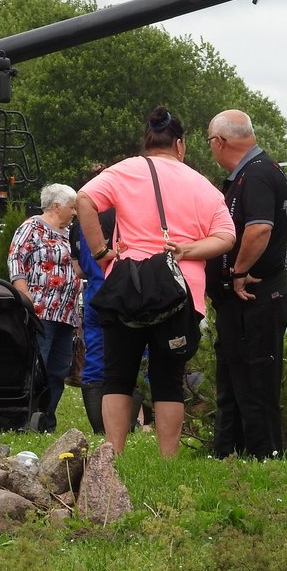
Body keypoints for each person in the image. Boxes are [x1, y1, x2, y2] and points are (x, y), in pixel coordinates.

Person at [77, 106, 235, 457]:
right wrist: (188, 249)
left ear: (147, 141)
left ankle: (113, 453)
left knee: (118, 375)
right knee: (168, 379)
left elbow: (83, 199)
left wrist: (101, 251)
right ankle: (168, 457)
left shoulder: (125, 171)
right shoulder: (201, 184)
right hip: (179, 292)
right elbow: (226, 236)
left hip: (127, 287)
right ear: (180, 145)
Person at [205, 109, 287, 460]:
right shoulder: (261, 169)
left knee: (256, 376)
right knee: (234, 377)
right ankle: (229, 451)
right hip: (245, 297)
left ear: (219, 142)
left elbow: (259, 229)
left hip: (254, 292)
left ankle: (262, 454)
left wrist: (237, 272)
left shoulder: (255, 176)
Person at [8, 183, 82, 434]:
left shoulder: (69, 232)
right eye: (72, 207)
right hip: (41, 311)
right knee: (37, 366)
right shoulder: (32, 227)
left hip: (66, 312)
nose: (75, 212)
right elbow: (16, 260)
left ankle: (46, 420)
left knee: (58, 369)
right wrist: (25, 298)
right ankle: (25, 418)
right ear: (57, 205)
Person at [71, 164, 116, 434]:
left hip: (95, 295)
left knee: (96, 358)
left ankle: (99, 426)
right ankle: (137, 422)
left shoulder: (78, 224)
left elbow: (78, 268)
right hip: (126, 293)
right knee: (138, 356)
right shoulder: (122, 214)